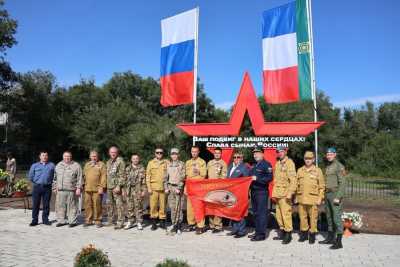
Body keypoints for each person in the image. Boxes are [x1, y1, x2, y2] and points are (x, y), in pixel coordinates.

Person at [319, 147, 346, 249]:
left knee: (336, 218)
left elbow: (342, 183)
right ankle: (330, 238)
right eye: (327, 154)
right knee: (329, 217)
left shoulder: (339, 166)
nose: (329, 156)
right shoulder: (328, 166)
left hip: (335, 194)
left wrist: (338, 197)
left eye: (331, 154)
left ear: (335, 154)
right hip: (327, 194)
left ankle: (339, 242)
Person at [296, 151, 325, 244]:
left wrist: (320, 198)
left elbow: (322, 186)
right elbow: (296, 185)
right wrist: (296, 196)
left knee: (313, 218)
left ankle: (312, 234)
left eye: (310, 159)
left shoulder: (318, 171)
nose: (308, 160)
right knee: (302, 217)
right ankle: (304, 234)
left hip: (313, 199)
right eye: (306, 159)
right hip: (301, 198)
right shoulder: (300, 170)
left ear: (313, 159)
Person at [271, 145, 297, 244]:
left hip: (285, 194)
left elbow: (293, 180)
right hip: (277, 193)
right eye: (278, 152)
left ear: (285, 152)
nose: (280, 153)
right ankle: (281, 231)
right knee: (278, 214)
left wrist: (290, 193)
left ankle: (288, 234)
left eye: (282, 151)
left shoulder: (289, 163)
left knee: (286, 214)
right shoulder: (277, 163)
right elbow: (276, 179)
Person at [248, 146, 273, 241]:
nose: (255, 155)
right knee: (256, 213)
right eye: (254, 153)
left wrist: (257, 179)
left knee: (261, 213)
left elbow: (269, 178)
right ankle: (257, 231)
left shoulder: (266, 164)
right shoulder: (254, 165)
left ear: (262, 154)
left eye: (257, 153)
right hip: (254, 192)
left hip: (261, 192)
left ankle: (261, 234)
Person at [53, 151, 83, 227]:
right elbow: (55, 178)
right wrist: (54, 187)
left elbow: (80, 178)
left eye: (68, 156)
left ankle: (72, 221)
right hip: (60, 190)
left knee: (72, 207)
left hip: (71, 190)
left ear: (71, 157)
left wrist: (78, 188)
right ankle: (61, 221)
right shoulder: (59, 165)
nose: (67, 158)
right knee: (60, 206)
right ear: (63, 157)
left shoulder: (76, 166)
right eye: (65, 156)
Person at [28, 151, 55, 226]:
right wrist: (36, 182)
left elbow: (54, 176)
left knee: (46, 204)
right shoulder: (34, 165)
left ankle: (45, 220)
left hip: (47, 187)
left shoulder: (52, 165)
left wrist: (52, 182)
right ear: (40, 157)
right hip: (37, 187)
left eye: (46, 155)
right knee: (35, 204)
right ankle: (34, 220)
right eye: (43, 155)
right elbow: (30, 176)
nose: (45, 157)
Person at [226, 152, 249, 238]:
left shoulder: (244, 168)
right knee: (233, 211)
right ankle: (235, 229)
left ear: (242, 158)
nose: (236, 159)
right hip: (231, 193)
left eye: (238, 157)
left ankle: (241, 231)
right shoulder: (230, 167)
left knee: (240, 212)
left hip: (240, 193)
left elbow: (246, 180)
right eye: (234, 157)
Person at [185, 146, 207, 234]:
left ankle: (200, 226)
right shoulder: (188, 162)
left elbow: (204, 174)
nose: (194, 153)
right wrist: (185, 187)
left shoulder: (202, 162)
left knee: (199, 207)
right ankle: (191, 223)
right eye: (192, 151)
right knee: (189, 207)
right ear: (191, 152)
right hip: (190, 186)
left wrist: (197, 171)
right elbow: (187, 176)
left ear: (198, 152)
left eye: (195, 151)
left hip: (198, 187)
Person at [82, 150, 107, 228]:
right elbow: (83, 176)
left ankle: (98, 220)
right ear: (90, 157)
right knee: (87, 204)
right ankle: (88, 220)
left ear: (97, 156)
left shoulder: (101, 164)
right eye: (92, 156)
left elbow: (104, 176)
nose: (94, 158)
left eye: (95, 156)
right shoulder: (87, 165)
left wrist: (102, 187)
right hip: (87, 188)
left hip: (97, 189)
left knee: (97, 205)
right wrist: (82, 185)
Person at [164, 148, 185, 234]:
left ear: (178, 155)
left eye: (176, 154)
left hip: (178, 188)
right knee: (172, 207)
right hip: (170, 188)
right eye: (172, 154)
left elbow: (183, 177)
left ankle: (179, 225)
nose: (174, 155)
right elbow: (165, 177)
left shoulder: (182, 164)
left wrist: (179, 188)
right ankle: (174, 224)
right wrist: (166, 187)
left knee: (179, 208)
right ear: (170, 155)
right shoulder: (168, 165)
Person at [146, 147, 168, 230]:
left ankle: (162, 222)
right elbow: (147, 176)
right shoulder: (150, 163)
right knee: (153, 206)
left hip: (163, 188)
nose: (159, 154)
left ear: (163, 154)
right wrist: (148, 187)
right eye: (157, 152)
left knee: (163, 206)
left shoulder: (166, 162)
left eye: (161, 152)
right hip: (153, 188)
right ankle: (154, 223)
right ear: (155, 153)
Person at [206, 148, 228, 233]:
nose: (217, 154)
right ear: (213, 154)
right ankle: (211, 225)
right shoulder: (210, 163)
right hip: (210, 188)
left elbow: (224, 176)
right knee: (210, 207)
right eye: (215, 153)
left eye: (219, 153)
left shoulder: (223, 163)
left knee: (218, 208)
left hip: (219, 188)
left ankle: (218, 226)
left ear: (221, 154)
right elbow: (206, 175)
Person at [124, 153, 146, 230]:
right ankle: (130, 221)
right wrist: (124, 190)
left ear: (138, 159)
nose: (135, 160)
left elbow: (144, 181)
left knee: (138, 206)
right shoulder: (127, 168)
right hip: (129, 190)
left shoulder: (142, 168)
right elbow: (125, 180)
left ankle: (139, 222)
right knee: (129, 206)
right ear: (131, 159)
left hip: (138, 190)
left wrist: (143, 190)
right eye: (134, 159)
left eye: (136, 158)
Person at [106, 146, 126, 229]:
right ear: (109, 153)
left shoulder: (120, 161)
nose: (113, 153)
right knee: (110, 204)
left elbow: (123, 175)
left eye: (114, 152)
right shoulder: (108, 162)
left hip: (116, 187)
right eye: (111, 152)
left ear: (117, 153)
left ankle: (120, 222)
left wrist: (119, 186)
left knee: (119, 205)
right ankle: (111, 220)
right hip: (109, 186)